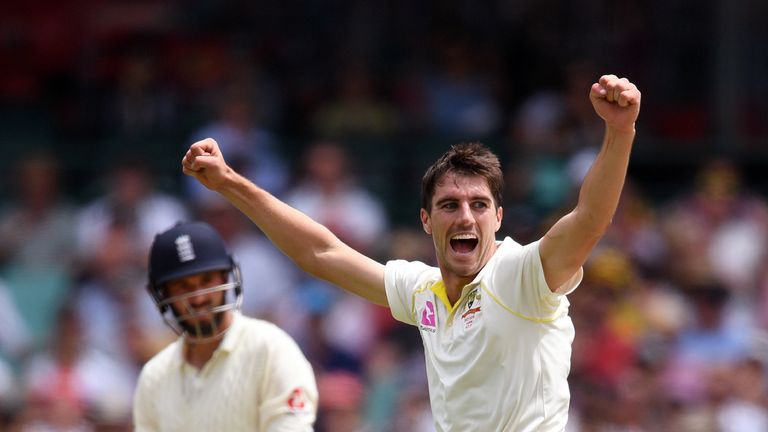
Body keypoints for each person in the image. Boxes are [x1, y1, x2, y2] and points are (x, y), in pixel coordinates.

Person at [182, 74, 641, 431]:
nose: (465, 216)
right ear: (426, 221)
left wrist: (620, 132)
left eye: (479, 205)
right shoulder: (422, 289)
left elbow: (590, 219)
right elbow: (319, 253)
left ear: (498, 218)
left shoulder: (525, 276)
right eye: (449, 205)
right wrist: (229, 183)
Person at [133, 221, 318, 431]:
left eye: (206, 280)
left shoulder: (272, 350)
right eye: (183, 286)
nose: (199, 298)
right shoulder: (154, 377)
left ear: (226, 277)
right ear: (163, 295)